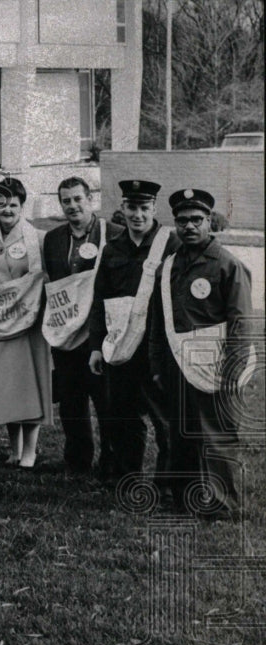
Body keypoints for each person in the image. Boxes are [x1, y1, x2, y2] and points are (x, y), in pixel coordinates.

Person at [149, 188, 254, 520]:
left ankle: (225, 504)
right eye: (182, 221)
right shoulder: (169, 265)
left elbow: (240, 320)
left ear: (210, 222)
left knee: (217, 433)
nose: (189, 227)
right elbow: (158, 317)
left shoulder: (227, 265)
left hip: (216, 363)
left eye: (196, 220)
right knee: (181, 431)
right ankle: (183, 496)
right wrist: (156, 362)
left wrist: (233, 365)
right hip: (177, 363)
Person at [88, 180, 179, 478]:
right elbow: (99, 300)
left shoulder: (172, 244)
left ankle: (167, 486)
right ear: (123, 208)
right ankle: (128, 477)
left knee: (164, 420)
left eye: (144, 207)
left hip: (158, 349)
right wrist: (95, 347)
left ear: (154, 208)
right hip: (120, 347)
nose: (137, 214)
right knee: (123, 417)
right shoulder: (112, 249)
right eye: (132, 207)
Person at [42, 177, 123, 478]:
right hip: (65, 336)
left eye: (78, 199)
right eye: (66, 200)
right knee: (71, 402)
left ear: (91, 200)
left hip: (99, 336)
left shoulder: (113, 234)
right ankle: (77, 460)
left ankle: (110, 461)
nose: (73, 206)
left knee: (106, 403)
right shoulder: (53, 239)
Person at [0, 177, 52, 469]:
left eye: (13, 205)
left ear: (22, 206)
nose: (7, 210)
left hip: (27, 323)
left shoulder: (37, 238)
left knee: (27, 385)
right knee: (5, 387)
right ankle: (14, 449)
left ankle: (30, 451)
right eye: (2, 204)